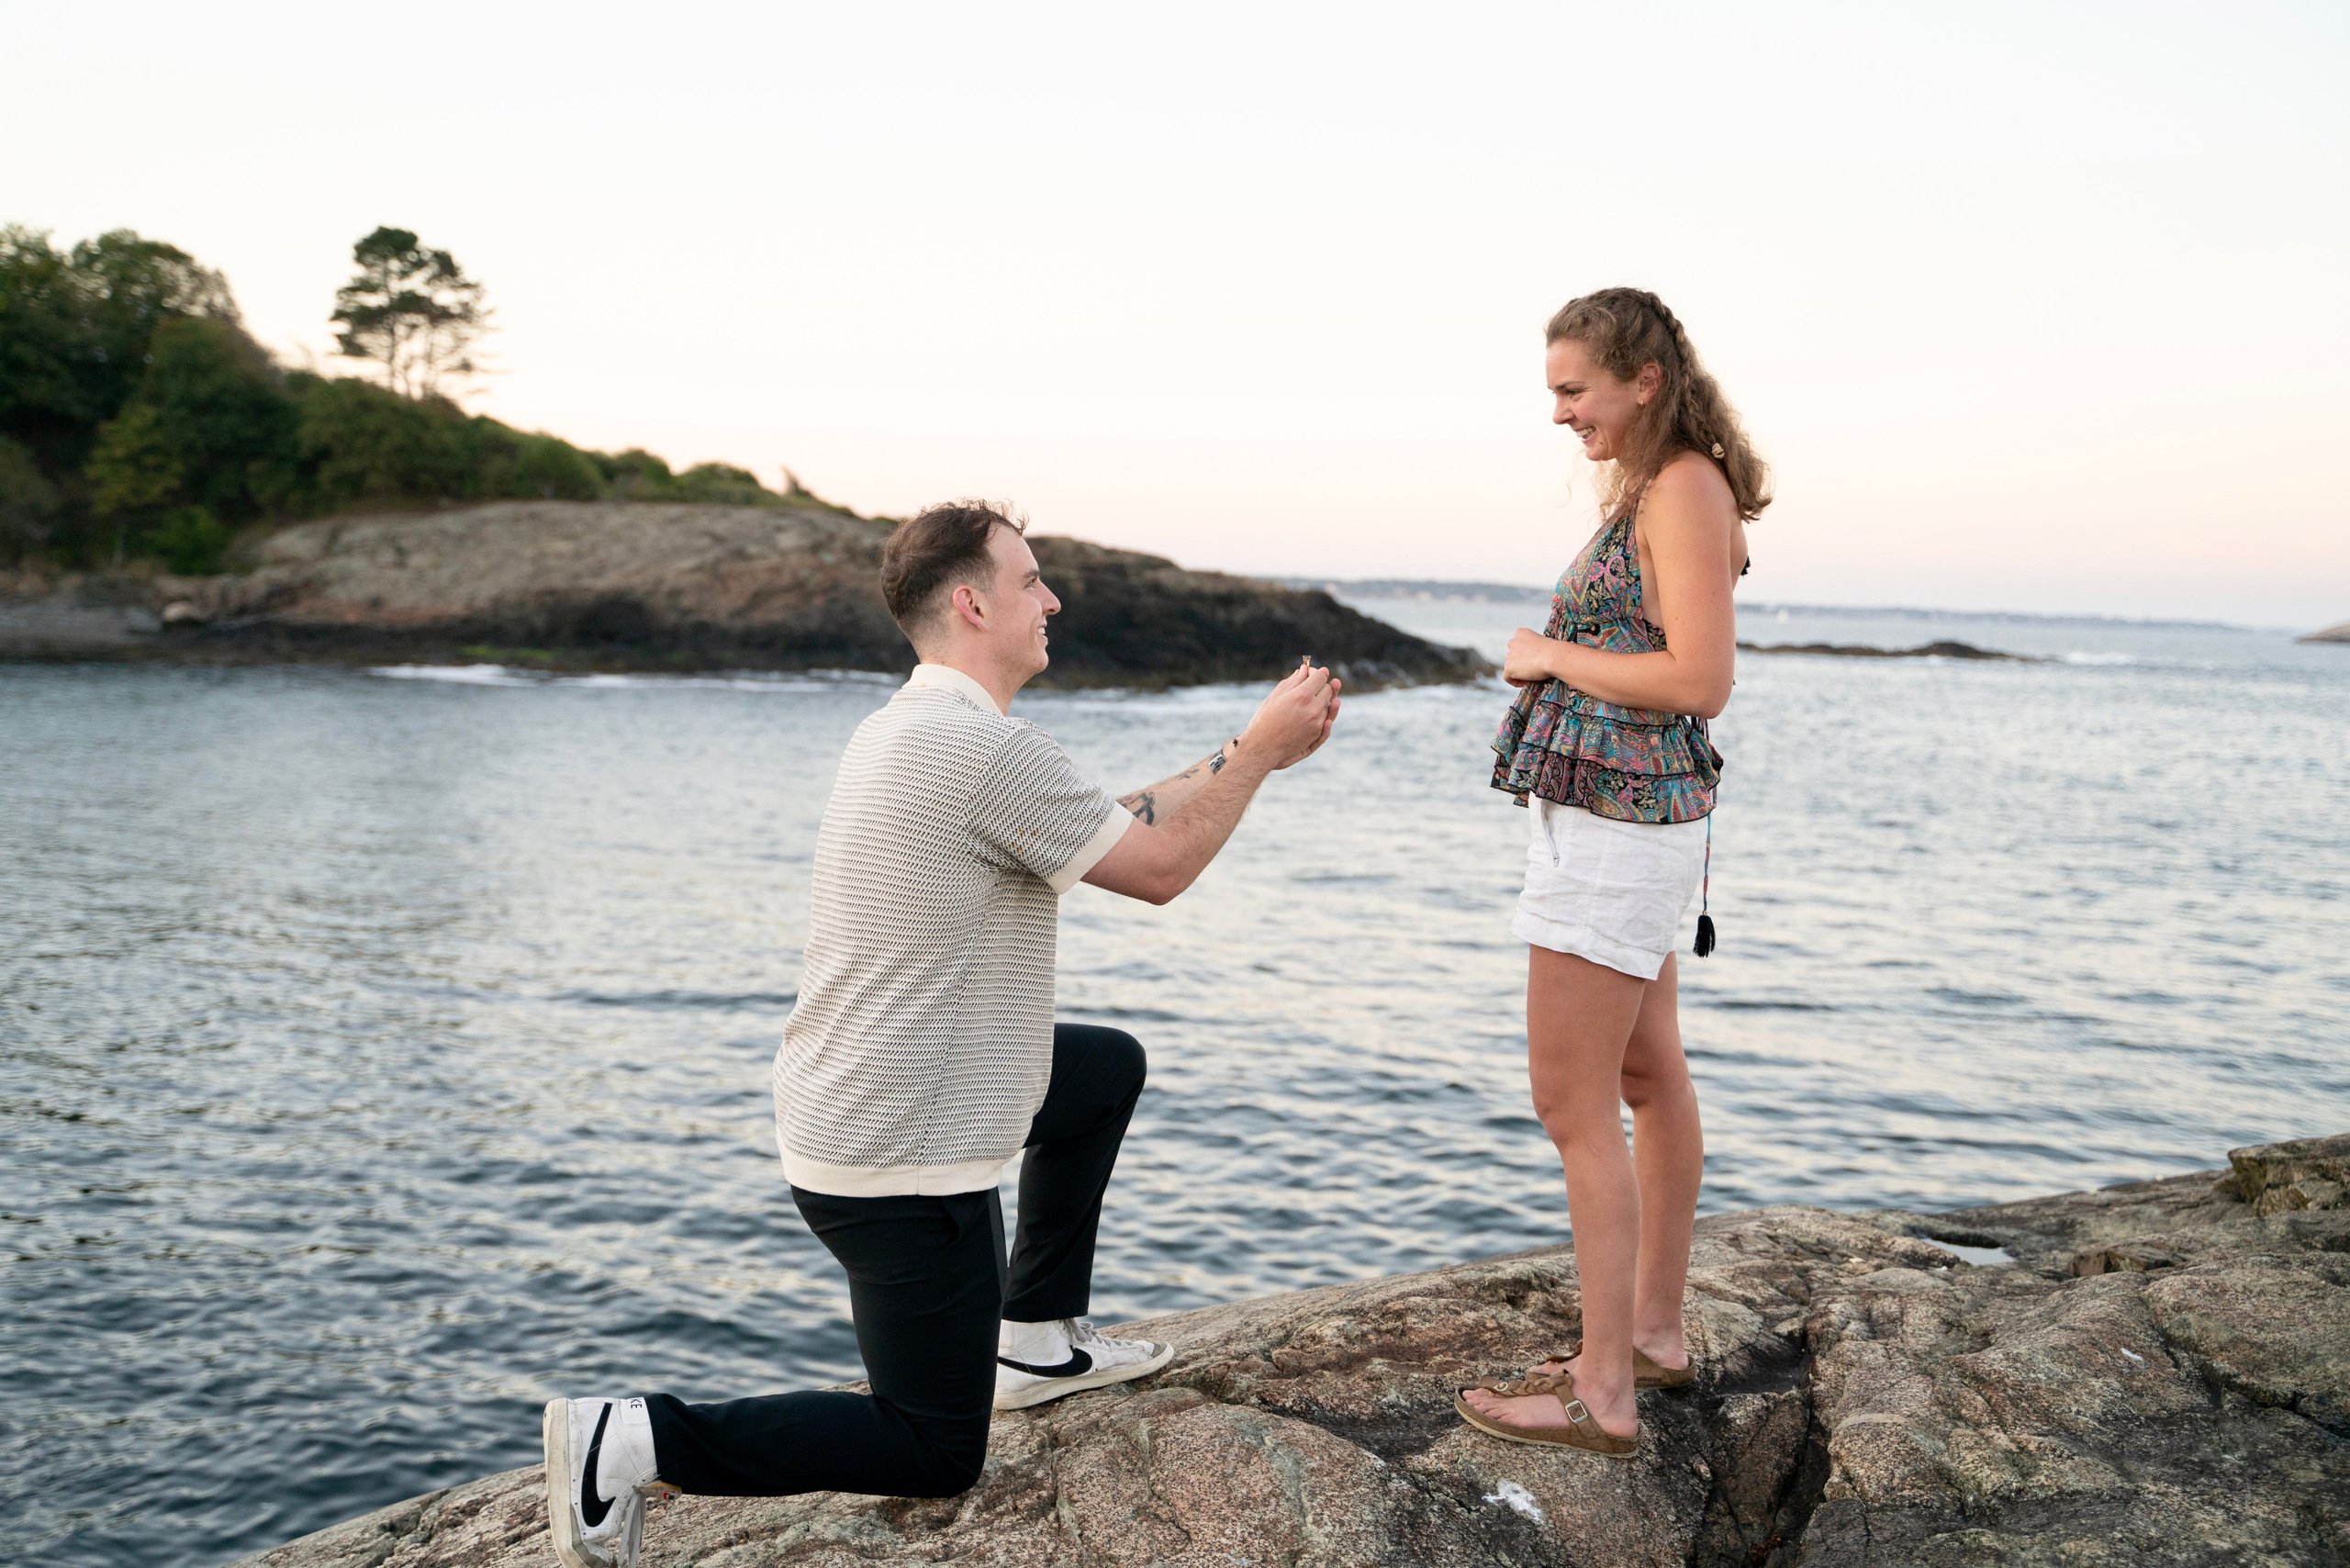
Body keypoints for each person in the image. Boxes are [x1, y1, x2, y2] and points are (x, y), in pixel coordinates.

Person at [542, 499, 1342, 1567]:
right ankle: (629, 1436)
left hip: (861, 1094)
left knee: (1101, 1069)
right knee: (930, 1445)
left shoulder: (917, 728)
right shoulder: (980, 751)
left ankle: (1034, 1340)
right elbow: (1158, 869)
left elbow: (1105, 819)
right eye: (1031, 582)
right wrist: (1258, 753)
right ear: (973, 603)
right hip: (900, 1155)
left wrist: (1238, 751)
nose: (1050, 600)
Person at [1454, 288, 1770, 1460]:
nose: (1559, 413)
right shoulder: (1664, 484)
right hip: (1627, 823)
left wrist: (1546, 655)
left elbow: (1698, 679)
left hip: (1614, 828)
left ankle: (1600, 1390)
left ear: (1643, 379)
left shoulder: (1682, 485)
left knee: (1569, 1102)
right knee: (1646, 1072)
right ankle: (1650, 1335)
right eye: (1553, 393)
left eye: (1573, 389)